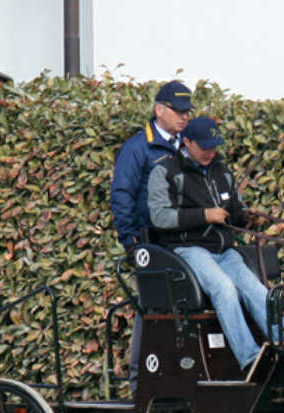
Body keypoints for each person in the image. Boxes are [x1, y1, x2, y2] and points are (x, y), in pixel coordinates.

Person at [147, 116, 284, 371]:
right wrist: (204, 215)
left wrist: (247, 217)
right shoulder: (165, 171)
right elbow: (160, 217)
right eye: (204, 146)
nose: (210, 152)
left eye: (214, 146)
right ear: (188, 142)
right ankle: (250, 359)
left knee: (257, 290)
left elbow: (234, 210)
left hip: (224, 250)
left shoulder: (222, 171)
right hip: (188, 249)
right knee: (224, 288)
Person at [109, 80, 193, 392]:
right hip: (152, 243)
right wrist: (130, 241)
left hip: (184, 240)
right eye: (178, 111)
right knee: (152, 309)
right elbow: (122, 195)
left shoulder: (187, 144)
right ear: (159, 110)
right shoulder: (137, 148)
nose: (184, 117)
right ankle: (139, 383)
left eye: (188, 112)